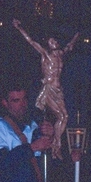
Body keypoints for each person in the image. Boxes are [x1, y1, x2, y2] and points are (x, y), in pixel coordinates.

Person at [13, 18, 79, 159]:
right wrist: (20, 28)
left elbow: (69, 46)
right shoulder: (45, 55)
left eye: (54, 41)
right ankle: (55, 144)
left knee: (64, 116)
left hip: (58, 90)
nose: (53, 43)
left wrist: (76, 36)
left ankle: (56, 142)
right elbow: (30, 41)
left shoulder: (60, 55)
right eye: (50, 41)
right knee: (58, 116)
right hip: (48, 89)